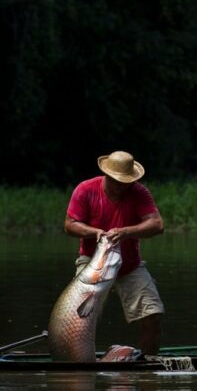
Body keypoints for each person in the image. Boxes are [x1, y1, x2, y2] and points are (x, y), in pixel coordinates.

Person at [64, 150, 165, 355]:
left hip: (129, 264)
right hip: (92, 263)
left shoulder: (139, 193)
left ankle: (149, 365)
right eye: (117, 181)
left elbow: (157, 224)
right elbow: (70, 225)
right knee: (78, 319)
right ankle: (77, 362)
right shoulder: (86, 189)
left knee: (152, 314)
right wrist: (96, 233)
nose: (122, 186)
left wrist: (127, 231)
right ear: (107, 176)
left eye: (126, 182)